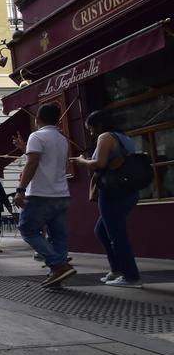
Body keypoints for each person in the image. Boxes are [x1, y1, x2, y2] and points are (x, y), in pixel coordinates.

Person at [72, 110, 142, 288]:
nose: (91, 133)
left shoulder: (104, 137)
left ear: (99, 125)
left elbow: (100, 164)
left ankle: (131, 276)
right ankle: (117, 268)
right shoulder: (124, 138)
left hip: (112, 191)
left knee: (117, 235)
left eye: (90, 128)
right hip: (129, 191)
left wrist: (82, 162)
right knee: (102, 230)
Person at [13, 103, 75, 288]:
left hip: (41, 193)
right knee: (58, 236)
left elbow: (32, 163)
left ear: (37, 119)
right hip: (62, 193)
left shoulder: (37, 136)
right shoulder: (62, 139)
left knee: (27, 229)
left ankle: (58, 265)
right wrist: (24, 148)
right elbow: (47, 161)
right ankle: (56, 276)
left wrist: (20, 189)